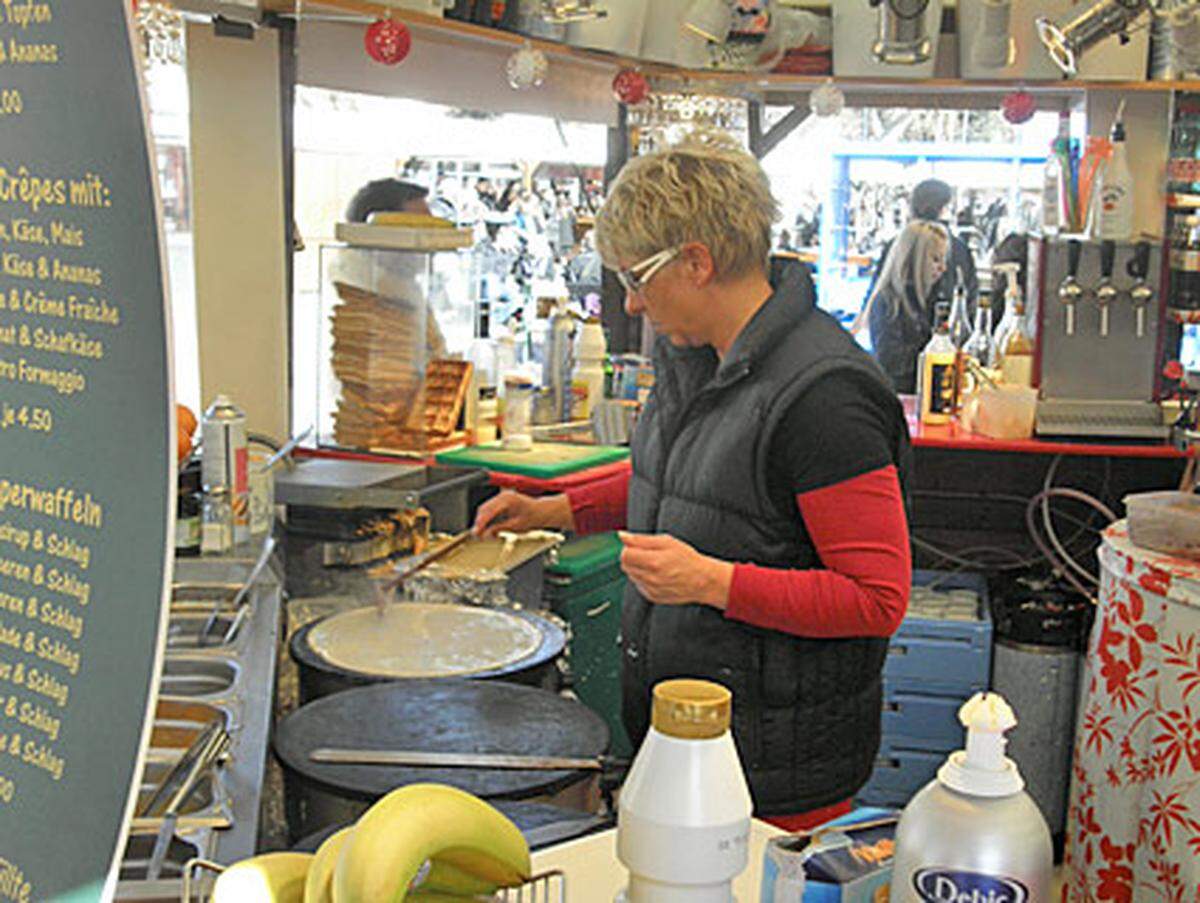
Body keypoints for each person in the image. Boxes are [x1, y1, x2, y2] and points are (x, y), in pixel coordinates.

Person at [473, 133, 912, 830]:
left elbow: (876, 598)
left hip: (777, 770)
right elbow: (686, 478)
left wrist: (712, 581)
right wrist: (553, 509)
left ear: (697, 262)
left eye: (635, 278)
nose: (635, 304)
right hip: (690, 741)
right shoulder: (701, 355)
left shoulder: (825, 397)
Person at [854, 219, 950, 394]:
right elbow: (891, 361)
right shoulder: (887, 302)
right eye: (936, 259)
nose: (943, 268)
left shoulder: (935, 298)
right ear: (915, 258)